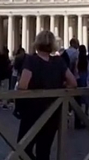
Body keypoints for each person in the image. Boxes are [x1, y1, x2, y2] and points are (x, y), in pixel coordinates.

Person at [16, 30, 77, 160]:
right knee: (44, 150)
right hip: (53, 110)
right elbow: (73, 82)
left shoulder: (31, 60)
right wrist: (59, 87)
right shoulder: (58, 62)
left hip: (32, 111)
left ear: (37, 43)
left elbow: (23, 85)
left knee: (23, 147)